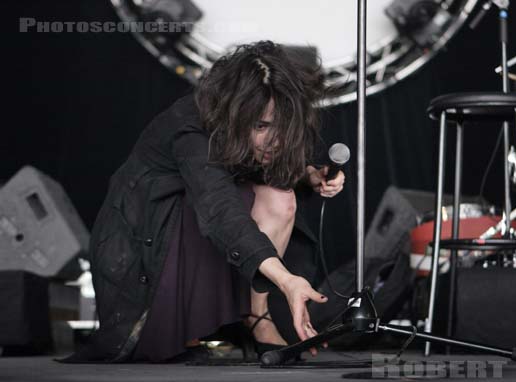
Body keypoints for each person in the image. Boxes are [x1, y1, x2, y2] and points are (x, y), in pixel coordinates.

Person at [68, 41, 345, 363]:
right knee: (215, 209)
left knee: (279, 198)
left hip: (195, 223)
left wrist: (308, 174)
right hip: (141, 249)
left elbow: (249, 169)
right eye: (261, 126)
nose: (276, 141)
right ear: (236, 113)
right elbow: (219, 207)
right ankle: (180, 329)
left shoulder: (245, 133)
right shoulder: (191, 128)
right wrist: (286, 280)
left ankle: (259, 318)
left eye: (281, 127)